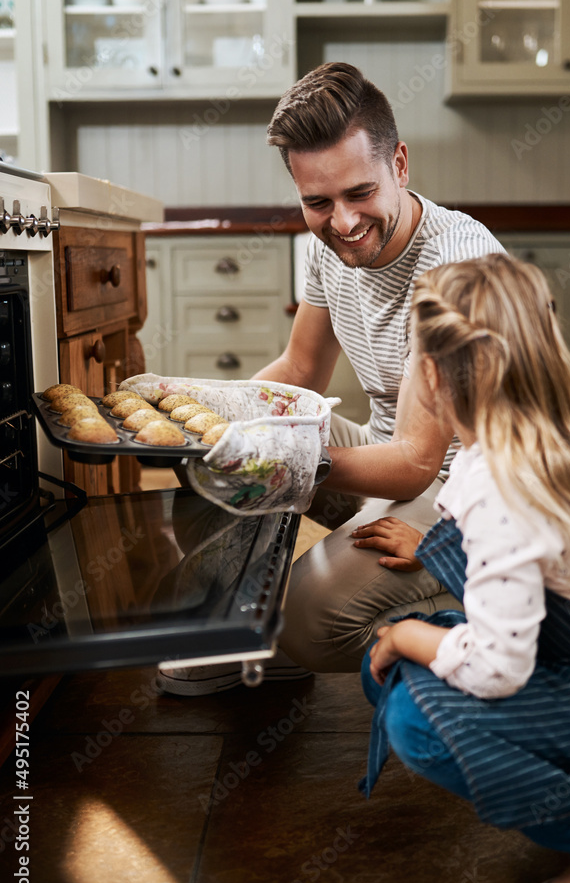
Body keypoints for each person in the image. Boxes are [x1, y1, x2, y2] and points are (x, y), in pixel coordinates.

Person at [158, 61, 504, 695]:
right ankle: (254, 630)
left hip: (471, 493)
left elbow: (417, 464)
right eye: (317, 202)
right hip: (390, 451)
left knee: (311, 621)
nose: (342, 223)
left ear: (399, 164)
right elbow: (298, 369)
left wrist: (284, 458)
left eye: (359, 193)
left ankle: (496, 622)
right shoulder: (328, 247)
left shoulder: (456, 264)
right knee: (207, 481)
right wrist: (202, 417)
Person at [358, 252, 570, 883]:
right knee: (397, 662)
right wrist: (430, 555)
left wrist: (409, 634)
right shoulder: (545, 441)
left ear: (432, 377)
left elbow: (499, 667)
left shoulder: (500, 489)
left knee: (415, 718)